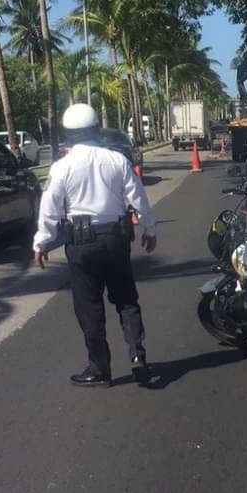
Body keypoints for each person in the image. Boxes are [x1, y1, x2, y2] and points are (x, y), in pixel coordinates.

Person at [33, 103, 158, 388]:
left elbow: (49, 207)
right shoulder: (116, 159)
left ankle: (100, 368)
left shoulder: (62, 166)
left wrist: (41, 242)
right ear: (96, 129)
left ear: (68, 133)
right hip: (116, 239)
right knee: (126, 300)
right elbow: (137, 197)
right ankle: (138, 357)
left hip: (81, 243)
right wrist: (149, 228)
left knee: (89, 307)